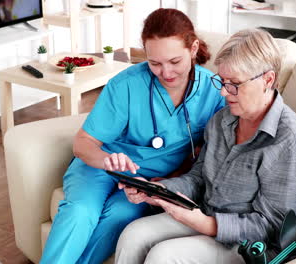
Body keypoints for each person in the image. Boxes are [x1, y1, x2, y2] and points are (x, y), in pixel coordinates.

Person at [115, 28, 296, 264]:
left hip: (255, 246)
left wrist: (204, 223)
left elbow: (274, 226)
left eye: (234, 84)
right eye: (222, 81)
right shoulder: (223, 120)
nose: (224, 92)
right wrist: (159, 191)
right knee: (134, 234)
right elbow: (199, 178)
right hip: (208, 215)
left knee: (164, 256)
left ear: (268, 79)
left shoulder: (291, 143)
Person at [39, 8, 225, 264]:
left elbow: (207, 151)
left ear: (193, 49)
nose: (166, 73)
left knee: (120, 215)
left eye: (175, 62)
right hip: (99, 166)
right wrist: (108, 161)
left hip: (147, 183)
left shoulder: (214, 90)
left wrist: (169, 180)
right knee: (81, 212)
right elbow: (83, 144)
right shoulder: (126, 84)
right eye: (155, 63)